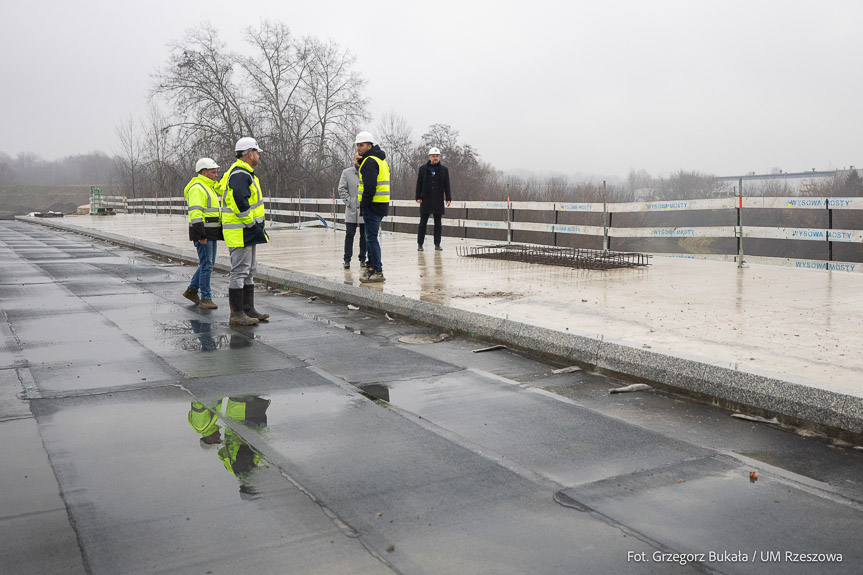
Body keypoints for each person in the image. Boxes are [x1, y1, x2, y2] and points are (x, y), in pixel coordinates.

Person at [219, 137, 270, 326]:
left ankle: (248, 309)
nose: (258, 156)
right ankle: (237, 314)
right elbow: (240, 202)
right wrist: (250, 223)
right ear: (250, 154)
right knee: (240, 271)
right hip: (241, 230)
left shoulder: (243, 173)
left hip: (247, 230)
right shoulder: (240, 174)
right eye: (257, 153)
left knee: (249, 270)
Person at [182, 158, 223, 308]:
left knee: (208, 264)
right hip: (203, 233)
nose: (216, 175)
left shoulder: (208, 187)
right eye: (213, 172)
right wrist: (201, 235)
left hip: (210, 232)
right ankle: (206, 298)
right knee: (206, 265)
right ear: (204, 172)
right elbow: (196, 213)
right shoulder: (198, 188)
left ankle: (192, 290)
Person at [355, 131, 391, 283]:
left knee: (371, 238)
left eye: (361, 145)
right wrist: (358, 166)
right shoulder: (380, 160)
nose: (358, 148)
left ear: (369, 146)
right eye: (357, 145)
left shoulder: (369, 161)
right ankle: (371, 266)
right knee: (371, 238)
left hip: (372, 205)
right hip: (381, 204)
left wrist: (364, 204)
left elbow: (369, 187)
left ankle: (377, 269)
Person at [415, 146, 451, 251]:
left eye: (437, 156)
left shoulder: (444, 170)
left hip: (438, 200)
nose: (435, 158)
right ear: (429, 157)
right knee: (423, 223)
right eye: (433, 156)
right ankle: (420, 244)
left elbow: (447, 185)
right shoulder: (422, 169)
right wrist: (418, 197)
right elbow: (419, 184)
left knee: (438, 224)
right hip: (425, 199)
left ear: (439, 157)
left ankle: (437, 244)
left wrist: (448, 198)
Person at [337, 154, 366, 269]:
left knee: (364, 236)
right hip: (352, 209)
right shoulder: (346, 173)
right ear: (354, 160)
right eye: (357, 159)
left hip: (364, 208)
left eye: (361, 158)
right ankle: (347, 259)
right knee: (349, 234)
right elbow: (341, 188)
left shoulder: (368, 172)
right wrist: (349, 202)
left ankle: (363, 258)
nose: (359, 161)